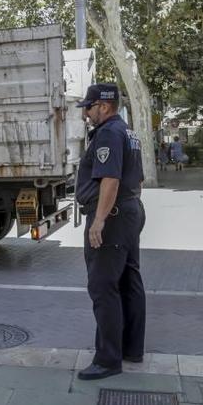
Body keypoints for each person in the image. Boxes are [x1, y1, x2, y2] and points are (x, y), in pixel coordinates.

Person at [74, 83, 146, 381]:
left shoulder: (108, 133)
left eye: (88, 108)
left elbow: (110, 180)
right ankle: (131, 348)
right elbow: (136, 179)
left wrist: (99, 221)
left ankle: (107, 360)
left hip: (113, 216)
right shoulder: (127, 132)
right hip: (129, 211)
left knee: (103, 287)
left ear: (103, 107)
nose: (86, 115)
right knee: (129, 279)